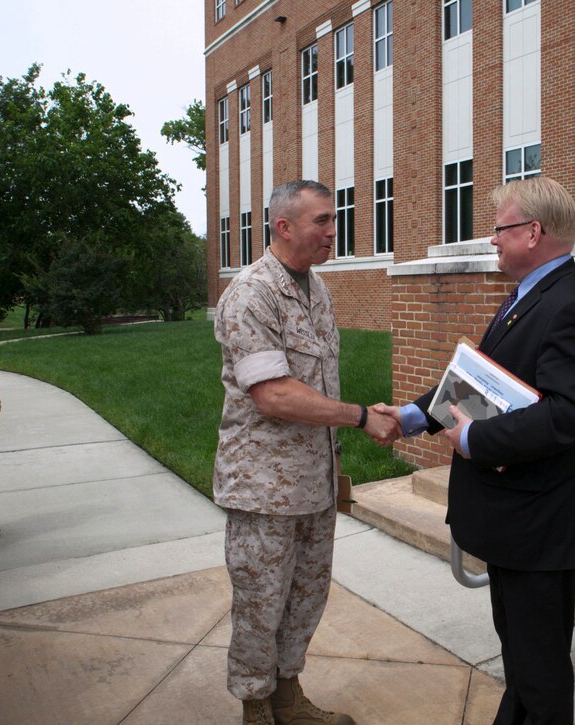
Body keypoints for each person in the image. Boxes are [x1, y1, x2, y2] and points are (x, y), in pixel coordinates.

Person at [376, 177, 575, 725]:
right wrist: (412, 418)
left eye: (500, 229)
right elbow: (480, 384)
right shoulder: (528, 295)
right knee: (523, 654)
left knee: (540, 665)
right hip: (518, 520)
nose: (492, 240)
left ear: (534, 232)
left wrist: (476, 439)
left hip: (542, 522)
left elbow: (568, 416)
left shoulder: (570, 303)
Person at [212, 180, 400, 725]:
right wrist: (361, 416)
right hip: (264, 488)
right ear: (283, 226)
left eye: (333, 219)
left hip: (314, 481)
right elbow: (273, 395)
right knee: (260, 601)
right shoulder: (251, 294)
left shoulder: (317, 289)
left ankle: (288, 699)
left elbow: (316, 383)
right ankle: (255, 707)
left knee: (306, 596)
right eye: (321, 220)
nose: (333, 231)